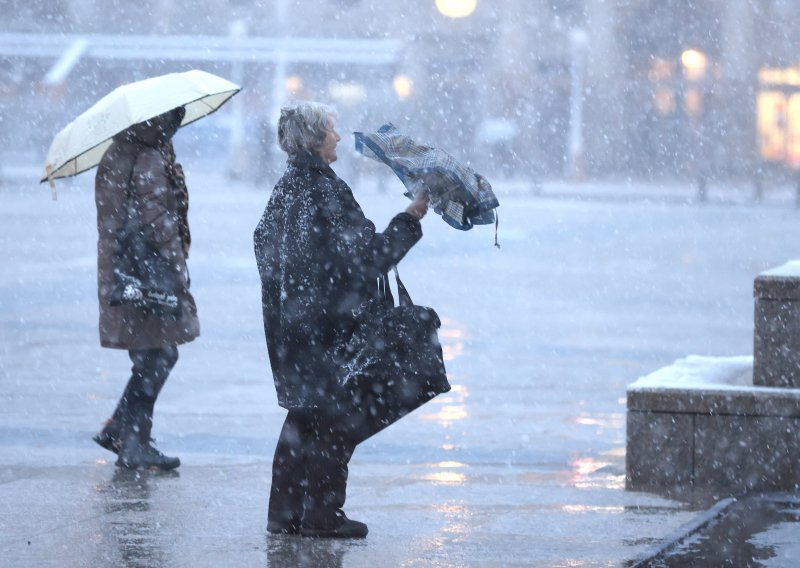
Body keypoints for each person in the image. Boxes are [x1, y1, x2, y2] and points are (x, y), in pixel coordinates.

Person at [254, 102, 430, 538]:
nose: (337, 137)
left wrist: (295, 297)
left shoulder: (288, 187)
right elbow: (368, 258)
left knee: (303, 415)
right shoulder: (324, 190)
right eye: (330, 131)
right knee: (335, 420)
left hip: (292, 326)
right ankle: (322, 517)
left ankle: (285, 513)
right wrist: (408, 220)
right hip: (328, 328)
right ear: (314, 140)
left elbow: (265, 247)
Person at [92, 107, 199, 471]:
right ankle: (133, 440)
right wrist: (176, 262)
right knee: (158, 356)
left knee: (151, 355)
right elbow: (155, 218)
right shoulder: (149, 154)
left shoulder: (119, 151)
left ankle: (124, 431)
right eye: (175, 121)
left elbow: (115, 213)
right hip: (147, 271)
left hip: (124, 269)